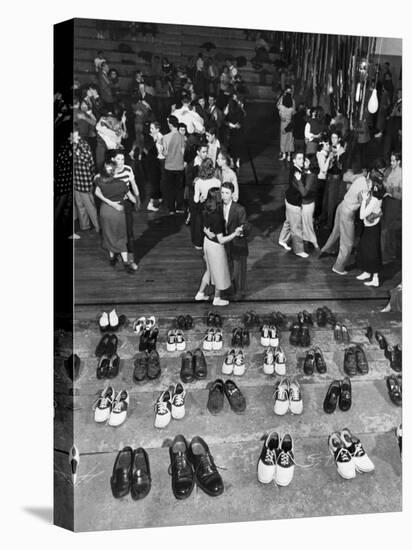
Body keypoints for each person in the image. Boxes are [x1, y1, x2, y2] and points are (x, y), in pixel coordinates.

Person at [319, 167, 382, 275]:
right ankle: (338, 267)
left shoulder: (361, 178)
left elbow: (346, 179)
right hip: (348, 212)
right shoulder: (366, 189)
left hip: (342, 205)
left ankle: (326, 249)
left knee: (336, 232)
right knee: (348, 243)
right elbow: (364, 208)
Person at [194, 188, 243, 306]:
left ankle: (200, 293)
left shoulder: (206, 208)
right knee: (219, 272)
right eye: (221, 193)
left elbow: (205, 228)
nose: (223, 195)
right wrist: (235, 234)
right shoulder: (217, 217)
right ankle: (217, 298)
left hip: (207, 242)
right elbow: (221, 240)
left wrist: (207, 232)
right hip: (215, 247)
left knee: (210, 271)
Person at [94, 161, 136, 274]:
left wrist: (110, 202)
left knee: (108, 234)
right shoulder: (121, 184)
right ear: (113, 173)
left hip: (105, 211)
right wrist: (133, 199)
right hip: (118, 213)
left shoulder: (99, 181)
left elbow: (97, 192)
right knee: (120, 237)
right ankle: (126, 264)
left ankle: (112, 259)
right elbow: (132, 199)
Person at [109, 149, 141, 271]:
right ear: (113, 159)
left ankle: (130, 260)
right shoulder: (109, 171)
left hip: (126, 204)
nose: (121, 162)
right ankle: (115, 254)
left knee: (129, 232)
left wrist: (137, 198)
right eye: (118, 159)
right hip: (113, 204)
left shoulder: (128, 169)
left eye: (122, 159)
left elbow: (133, 184)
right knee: (114, 231)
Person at [220, 181, 249, 299]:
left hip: (237, 244)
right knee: (227, 268)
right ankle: (227, 290)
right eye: (222, 192)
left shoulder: (239, 209)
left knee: (238, 270)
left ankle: (239, 292)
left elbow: (245, 225)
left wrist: (241, 230)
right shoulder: (219, 207)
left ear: (232, 194)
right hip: (225, 243)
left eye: (227, 193)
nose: (224, 195)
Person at [355, 178, 385, 287]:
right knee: (365, 249)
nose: (367, 184)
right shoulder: (376, 196)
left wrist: (363, 200)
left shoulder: (374, 200)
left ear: (375, 187)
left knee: (372, 253)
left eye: (370, 183)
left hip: (372, 228)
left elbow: (362, 215)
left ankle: (375, 278)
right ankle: (367, 272)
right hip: (372, 226)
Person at [278, 152, 308, 258]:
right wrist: (301, 179)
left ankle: (282, 239)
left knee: (288, 221)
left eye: (303, 158)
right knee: (296, 227)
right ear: (294, 160)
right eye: (299, 159)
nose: (302, 161)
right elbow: (303, 191)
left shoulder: (296, 170)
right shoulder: (296, 173)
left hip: (289, 200)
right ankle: (299, 250)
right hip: (294, 203)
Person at [72, 126, 100, 234]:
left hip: (84, 179)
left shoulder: (83, 144)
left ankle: (97, 226)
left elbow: (87, 159)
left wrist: (76, 153)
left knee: (90, 206)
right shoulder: (74, 145)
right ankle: (85, 226)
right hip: (76, 179)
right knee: (80, 206)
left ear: (76, 133)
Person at [191, 158, 222, 249]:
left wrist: (200, 198)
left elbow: (196, 200)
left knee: (200, 222)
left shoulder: (199, 182)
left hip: (204, 206)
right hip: (215, 206)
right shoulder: (218, 182)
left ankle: (199, 243)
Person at [323, 131, 346, 230]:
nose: (333, 140)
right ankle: (325, 219)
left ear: (339, 139)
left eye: (335, 138)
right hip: (329, 176)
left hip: (336, 178)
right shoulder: (330, 148)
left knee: (332, 201)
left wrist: (336, 157)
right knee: (326, 199)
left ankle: (330, 224)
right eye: (332, 138)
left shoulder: (341, 150)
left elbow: (341, 167)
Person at [162, 115, 186, 214]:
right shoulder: (182, 137)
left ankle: (171, 208)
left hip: (169, 166)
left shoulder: (166, 137)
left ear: (170, 124)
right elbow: (183, 151)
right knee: (179, 188)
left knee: (170, 188)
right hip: (179, 166)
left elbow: (165, 153)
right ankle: (179, 207)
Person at [381, 152, 402, 264]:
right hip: (388, 202)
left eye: (394, 161)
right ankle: (389, 253)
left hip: (395, 204)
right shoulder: (391, 170)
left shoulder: (401, 174)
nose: (391, 162)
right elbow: (387, 183)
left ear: (399, 161)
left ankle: (388, 255)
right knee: (387, 229)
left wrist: (391, 192)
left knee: (388, 229)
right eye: (391, 160)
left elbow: (402, 195)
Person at [142, 121, 163, 212]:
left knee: (157, 182)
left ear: (157, 129)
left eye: (152, 128)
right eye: (150, 128)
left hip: (157, 163)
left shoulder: (160, 137)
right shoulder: (150, 138)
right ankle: (151, 203)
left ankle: (156, 200)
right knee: (154, 183)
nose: (150, 130)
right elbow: (146, 150)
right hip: (152, 163)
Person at [277, 87, 295, 161]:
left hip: (283, 123)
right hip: (290, 123)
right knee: (290, 139)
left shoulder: (281, 106)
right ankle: (289, 155)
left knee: (283, 139)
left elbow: (277, 104)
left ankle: (284, 154)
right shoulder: (292, 106)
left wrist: (282, 96)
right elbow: (294, 111)